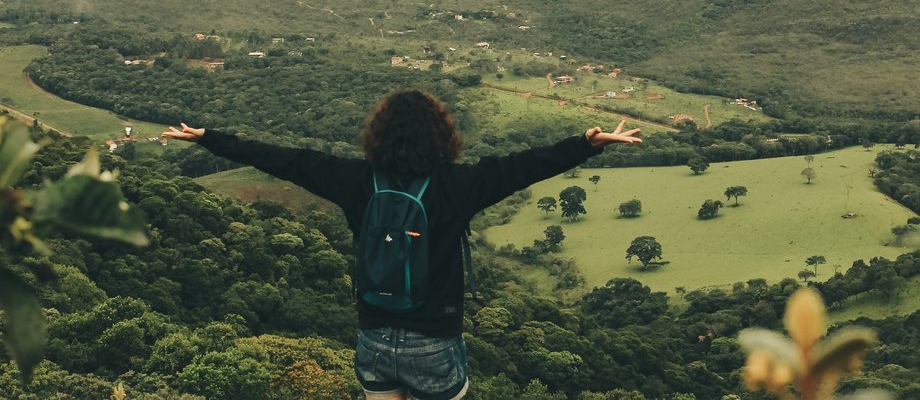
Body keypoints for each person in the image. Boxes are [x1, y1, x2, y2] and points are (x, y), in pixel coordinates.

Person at [162, 89, 642, 400]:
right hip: (434, 339)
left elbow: (284, 160)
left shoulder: (353, 180)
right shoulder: (461, 185)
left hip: (373, 335)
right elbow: (523, 166)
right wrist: (586, 142)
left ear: (378, 134)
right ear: (443, 136)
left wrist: (209, 138)